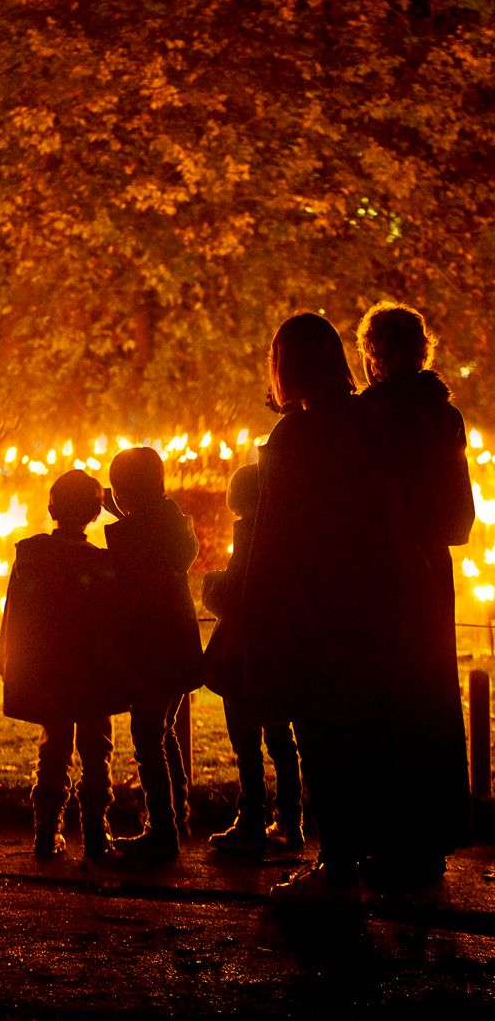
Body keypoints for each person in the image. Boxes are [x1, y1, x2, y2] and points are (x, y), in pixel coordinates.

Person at [243, 313, 432, 906]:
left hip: (315, 609)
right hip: (375, 603)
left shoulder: (294, 439)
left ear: (284, 368)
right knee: (364, 732)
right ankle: (360, 855)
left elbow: (273, 538)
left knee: (322, 736)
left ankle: (336, 867)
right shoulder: (366, 421)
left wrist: (255, 608)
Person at [356, 301, 474, 882]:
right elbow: (459, 514)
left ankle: (387, 835)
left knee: (381, 699)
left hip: (381, 572)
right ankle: (429, 835)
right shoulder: (442, 414)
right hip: (432, 571)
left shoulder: (371, 416)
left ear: (374, 352)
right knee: (429, 695)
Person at [0, 470, 130, 859]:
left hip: (50, 673)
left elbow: (14, 616)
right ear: (95, 512)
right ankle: (94, 832)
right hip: (92, 674)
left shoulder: (31, 554)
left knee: (53, 748)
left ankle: (46, 831)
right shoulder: (101, 563)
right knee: (96, 750)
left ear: (51, 507)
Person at [103, 447, 205, 863]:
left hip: (150, 650)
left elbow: (125, 582)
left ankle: (162, 830)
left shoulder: (131, 536)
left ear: (125, 493)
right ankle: (176, 820)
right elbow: (152, 538)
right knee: (164, 734)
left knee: (147, 738)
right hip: (179, 644)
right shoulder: (171, 523)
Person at [202, 464, 303, 858]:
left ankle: (251, 819)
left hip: (243, 653)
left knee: (247, 742)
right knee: (281, 738)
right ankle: (290, 819)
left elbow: (237, 591)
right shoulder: (287, 534)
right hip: (277, 650)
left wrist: (211, 585)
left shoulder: (249, 536)